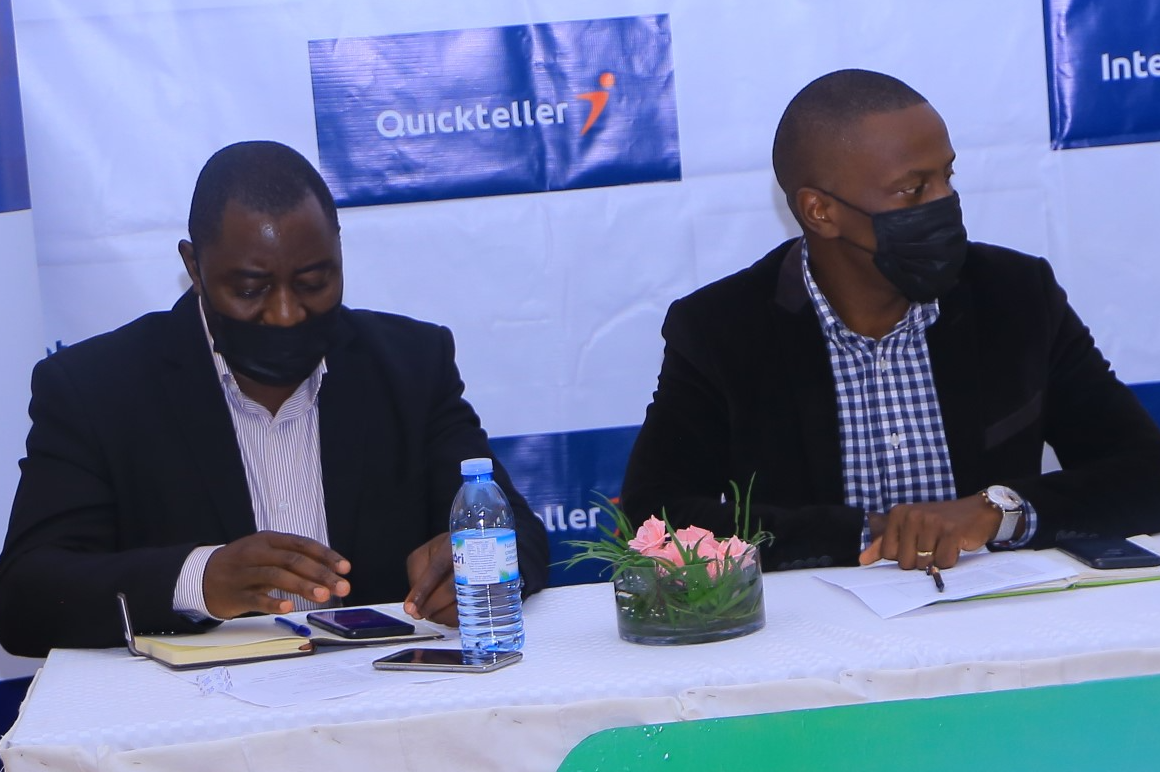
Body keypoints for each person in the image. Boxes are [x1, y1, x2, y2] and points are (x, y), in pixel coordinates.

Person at [0, 140, 549, 658]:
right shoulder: (97, 388)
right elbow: (24, 597)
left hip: (388, 700)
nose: (286, 313)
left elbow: (521, 533)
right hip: (194, 717)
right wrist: (200, 580)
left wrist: (480, 563)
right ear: (194, 268)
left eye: (313, 282)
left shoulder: (410, 365)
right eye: (250, 289)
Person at [621, 69, 1160, 575]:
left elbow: (1145, 472)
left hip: (999, 614)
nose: (945, 202)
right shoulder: (721, 329)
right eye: (913, 189)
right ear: (820, 211)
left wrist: (997, 512)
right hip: (817, 626)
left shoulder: (1015, 296)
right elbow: (656, 518)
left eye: (947, 177)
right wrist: (871, 533)